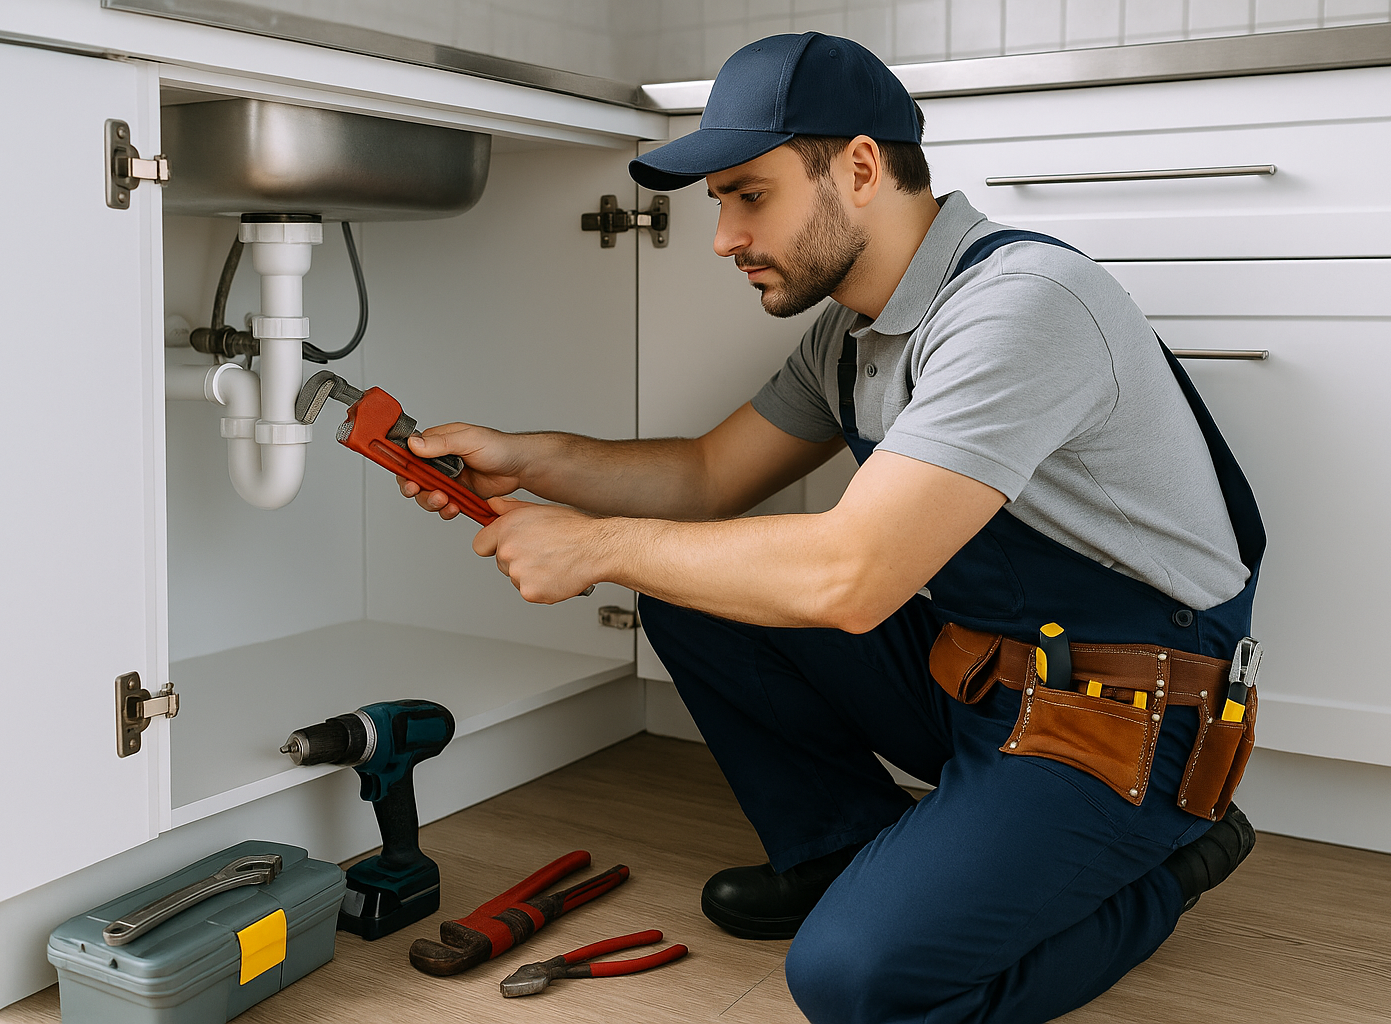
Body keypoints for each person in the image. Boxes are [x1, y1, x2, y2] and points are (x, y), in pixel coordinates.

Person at [398, 32, 1263, 1024]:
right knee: (690, 594)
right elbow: (705, 474)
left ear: (858, 166)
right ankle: (842, 856)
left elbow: (851, 576)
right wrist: (528, 456)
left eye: (748, 195)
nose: (722, 236)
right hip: (979, 675)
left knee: (853, 983)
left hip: (1124, 721)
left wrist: (594, 542)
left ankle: (1172, 868)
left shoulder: (1020, 308)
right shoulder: (854, 332)